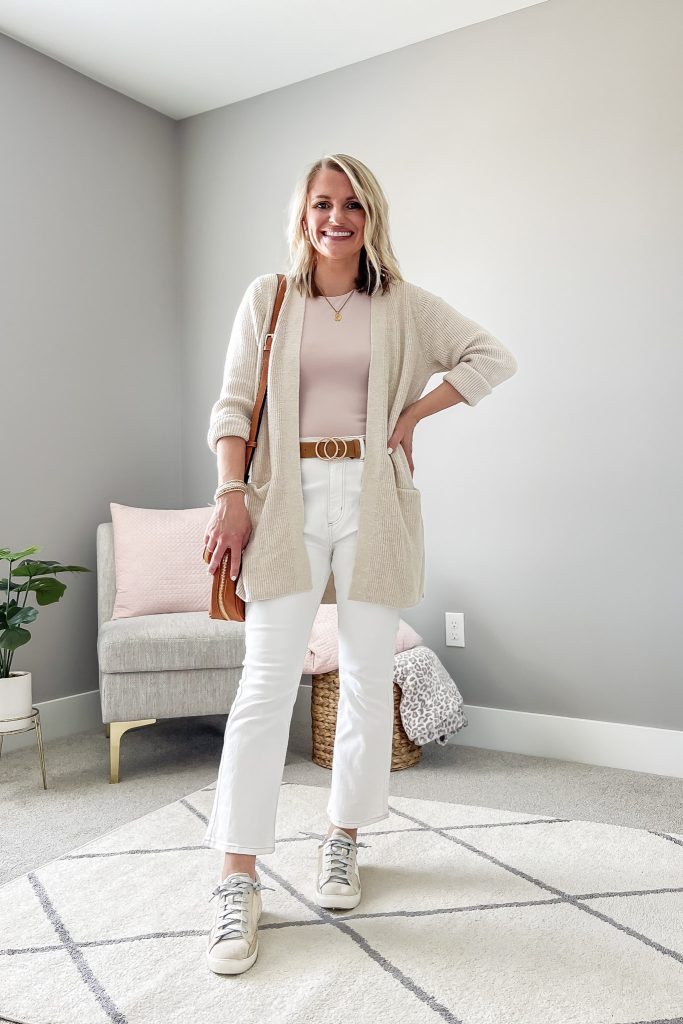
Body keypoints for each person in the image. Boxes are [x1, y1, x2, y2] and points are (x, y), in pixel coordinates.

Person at [201, 153, 518, 974]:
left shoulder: (403, 306)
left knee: (366, 676)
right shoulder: (268, 298)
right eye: (320, 204)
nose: (334, 217)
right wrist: (231, 489)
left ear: (370, 216)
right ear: (301, 215)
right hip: (284, 499)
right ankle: (237, 876)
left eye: (350, 205)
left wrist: (414, 411)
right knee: (265, 683)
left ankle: (342, 838)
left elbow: (490, 357)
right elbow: (235, 401)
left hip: (372, 496)